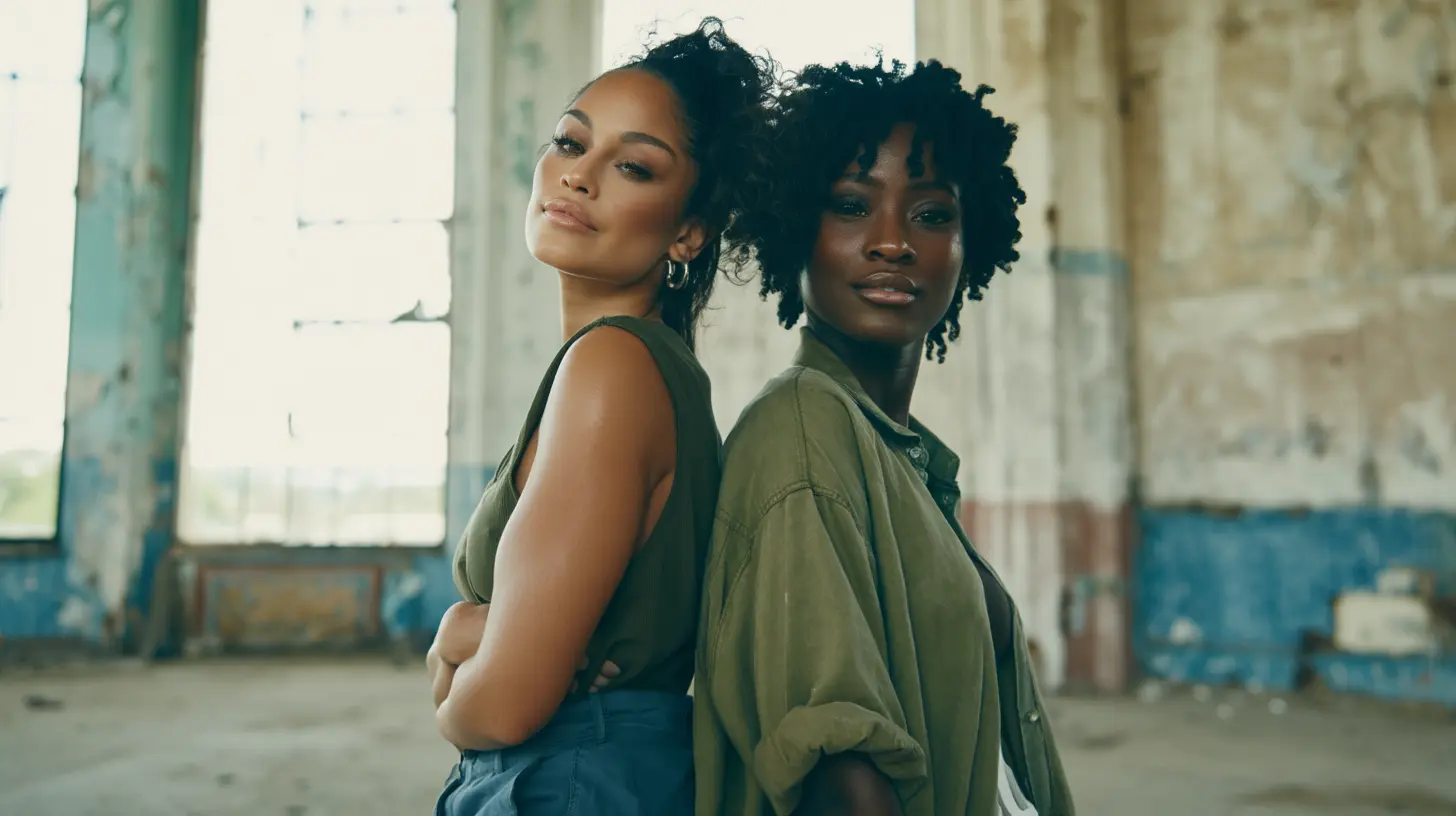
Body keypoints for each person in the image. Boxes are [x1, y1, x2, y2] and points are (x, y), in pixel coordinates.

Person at [696, 59, 1076, 815]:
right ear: (795, 228)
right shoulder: (803, 437)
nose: (892, 243)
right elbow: (842, 773)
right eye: (850, 206)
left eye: (932, 214)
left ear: (973, 246)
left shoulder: (897, 453)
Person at [426, 18, 773, 815]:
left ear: (687, 231)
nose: (578, 177)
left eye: (635, 166)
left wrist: (452, 667)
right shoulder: (644, 368)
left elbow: (505, 703)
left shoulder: (613, 369)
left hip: (572, 784)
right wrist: (467, 629)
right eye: (570, 142)